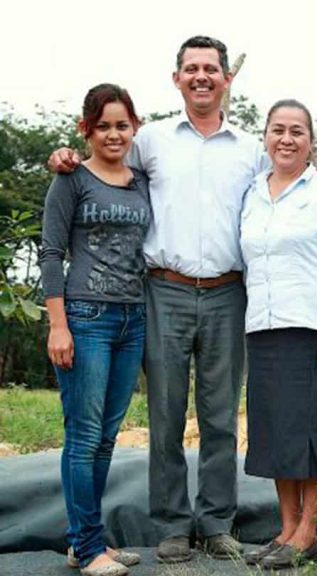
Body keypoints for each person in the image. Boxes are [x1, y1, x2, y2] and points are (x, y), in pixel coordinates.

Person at [48, 36, 266, 563]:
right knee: (165, 414)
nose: (201, 77)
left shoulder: (250, 148)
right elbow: (101, 164)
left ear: (226, 78)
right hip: (161, 290)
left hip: (226, 291)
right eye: (190, 68)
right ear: (177, 79)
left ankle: (216, 523)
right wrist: (62, 157)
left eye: (210, 69)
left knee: (220, 416)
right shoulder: (153, 140)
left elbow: (283, 186)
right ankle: (170, 525)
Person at [237, 99, 317, 569]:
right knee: (275, 433)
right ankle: (287, 529)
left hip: (313, 329)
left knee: (312, 432)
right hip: (263, 326)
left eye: (297, 131)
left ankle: (308, 531)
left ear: (311, 141)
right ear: (265, 137)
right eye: (277, 130)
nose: (286, 139)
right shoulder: (252, 193)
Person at [40, 84, 148, 576]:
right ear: (86, 129)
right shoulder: (71, 179)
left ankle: (85, 539)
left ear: (134, 128)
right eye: (102, 125)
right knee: (82, 436)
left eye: (121, 125)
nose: (113, 133)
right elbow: (50, 253)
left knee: (106, 437)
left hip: (133, 318)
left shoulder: (141, 180)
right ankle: (87, 550)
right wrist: (57, 326)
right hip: (85, 319)